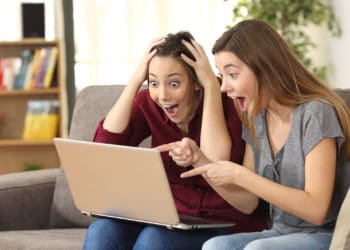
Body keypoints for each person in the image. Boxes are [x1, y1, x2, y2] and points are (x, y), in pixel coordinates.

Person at [158, 20, 350, 250]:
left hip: (325, 234)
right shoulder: (256, 118)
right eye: (222, 75)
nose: (224, 87)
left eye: (232, 74)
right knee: (214, 246)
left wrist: (241, 176)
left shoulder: (315, 113)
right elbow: (247, 203)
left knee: (257, 249)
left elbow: (316, 210)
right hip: (281, 233)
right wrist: (200, 160)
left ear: (264, 68)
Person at [82, 31, 267, 250]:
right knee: (102, 230)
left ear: (196, 81)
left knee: (154, 239)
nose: (162, 96)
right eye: (153, 83)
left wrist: (210, 85)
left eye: (173, 84)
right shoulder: (149, 103)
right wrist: (135, 80)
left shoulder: (234, 104)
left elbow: (214, 161)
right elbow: (104, 148)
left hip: (226, 221)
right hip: (173, 219)